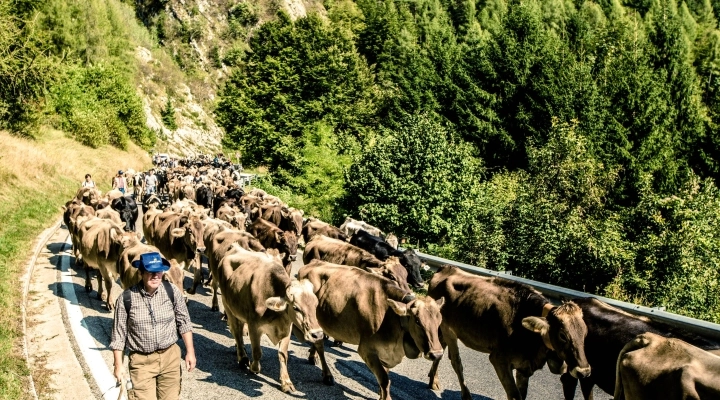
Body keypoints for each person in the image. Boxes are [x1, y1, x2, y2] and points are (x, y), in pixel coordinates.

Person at [110, 252, 196, 400]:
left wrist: (190, 352)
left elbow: (184, 323)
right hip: (142, 362)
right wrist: (118, 365)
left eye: (158, 271)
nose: (155, 276)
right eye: (151, 272)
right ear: (141, 273)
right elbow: (118, 335)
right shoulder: (126, 299)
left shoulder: (172, 291)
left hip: (170, 357)